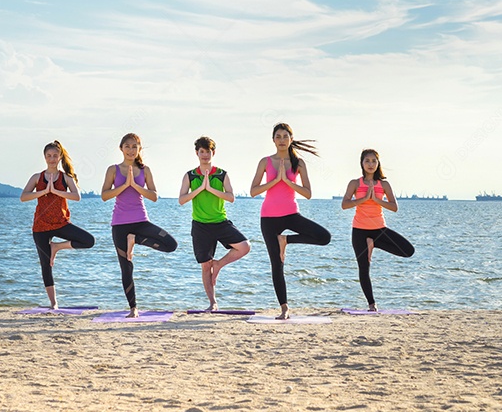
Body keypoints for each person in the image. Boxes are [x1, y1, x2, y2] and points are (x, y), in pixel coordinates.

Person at [250, 122, 331, 319]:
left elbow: (308, 193)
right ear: (273, 140)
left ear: (291, 139)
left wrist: (287, 181)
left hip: (291, 214)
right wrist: (274, 181)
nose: (281, 140)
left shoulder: (298, 164)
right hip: (269, 218)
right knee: (277, 264)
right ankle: (285, 308)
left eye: (285, 136)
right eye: (278, 136)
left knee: (324, 237)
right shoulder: (265, 162)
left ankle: (286, 240)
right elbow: (253, 191)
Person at [101, 132, 177, 317]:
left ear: (139, 149)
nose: (131, 150)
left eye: (134, 146)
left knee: (171, 244)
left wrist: (135, 186)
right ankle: (133, 308)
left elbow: (154, 196)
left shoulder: (145, 170)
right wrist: (124, 185)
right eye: (127, 146)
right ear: (121, 148)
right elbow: (104, 195)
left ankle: (134, 239)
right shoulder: (113, 169)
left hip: (141, 221)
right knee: (126, 266)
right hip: (120, 224)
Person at [19, 140, 96, 309]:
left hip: (61, 223)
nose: (52, 159)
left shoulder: (65, 177)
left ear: (60, 156)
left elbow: (77, 196)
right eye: (49, 156)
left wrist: (56, 191)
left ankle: (57, 247)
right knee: (46, 266)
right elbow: (23, 197)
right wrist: (44, 191)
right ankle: (54, 303)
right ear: (44, 157)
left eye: (55, 155)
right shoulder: (37, 177)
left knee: (89, 240)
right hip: (40, 226)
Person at [177, 136, 250, 311]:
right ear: (197, 153)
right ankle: (212, 303)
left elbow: (231, 197)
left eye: (208, 151)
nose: (205, 155)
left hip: (220, 222)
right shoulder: (190, 175)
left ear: (213, 153)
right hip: (200, 225)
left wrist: (210, 189)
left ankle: (219, 264)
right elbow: (181, 200)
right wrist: (200, 188)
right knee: (205, 266)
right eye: (201, 151)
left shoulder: (222, 174)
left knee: (245, 246)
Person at [340, 148, 415, 311]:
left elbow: (394, 207)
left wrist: (375, 199)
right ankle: (372, 304)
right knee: (363, 268)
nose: (371, 164)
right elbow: (344, 205)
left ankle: (373, 243)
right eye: (367, 161)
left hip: (379, 229)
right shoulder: (355, 183)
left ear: (378, 163)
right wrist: (363, 199)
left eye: (374, 161)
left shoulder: (384, 184)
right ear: (361, 163)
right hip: (359, 230)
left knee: (408, 250)